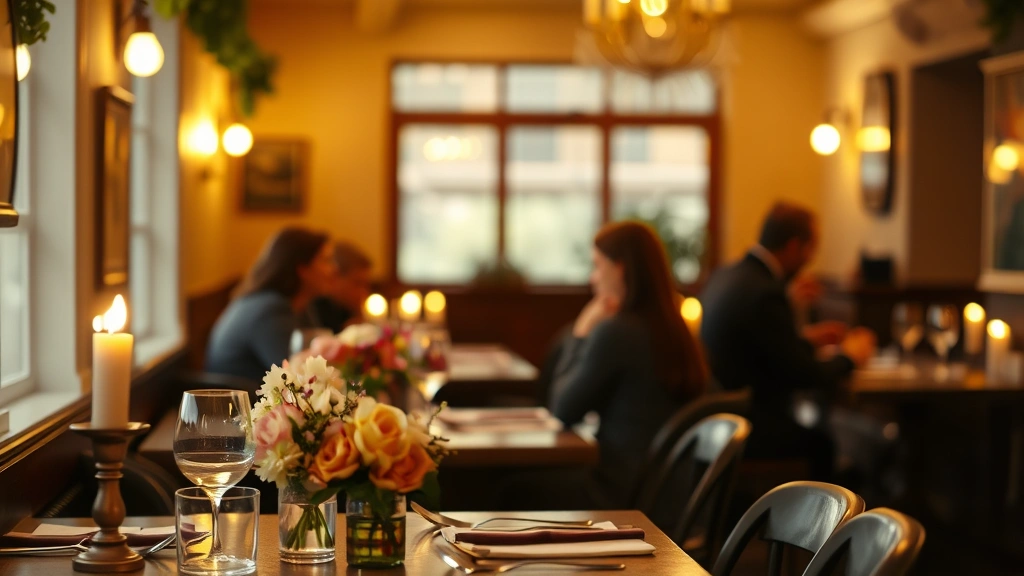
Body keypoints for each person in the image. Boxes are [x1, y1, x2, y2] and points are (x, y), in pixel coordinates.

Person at [699, 201, 876, 480]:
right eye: (810, 249)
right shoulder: (765, 291)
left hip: (718, 419)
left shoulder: (728, 274)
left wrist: (805, 339)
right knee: (822, 445)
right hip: (749, 425)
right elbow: (803, 374)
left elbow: (757, 346)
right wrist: (850, 357)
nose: (810, 259)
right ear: (794, 246)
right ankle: (815, 521)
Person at [549, 221, 709, 507]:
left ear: (620, 267)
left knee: (509, 488)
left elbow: (562, 409)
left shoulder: (617, 332)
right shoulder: (676, 330)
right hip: (670, 495)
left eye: (598, 265)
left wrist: (581, 333)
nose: (593, 278)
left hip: (621, 498)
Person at [206, 228, 337, 383]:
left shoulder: (300, 304)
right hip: (241, 402)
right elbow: (296, 376)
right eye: (325, 260)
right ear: (303, 269)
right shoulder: (270, 310)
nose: (333, 269)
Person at [308, 241, 373, 333]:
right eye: (357, 283)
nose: (364, 292)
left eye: (366, 285)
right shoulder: (313, 309)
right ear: (335, 277)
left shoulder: (347, 310)